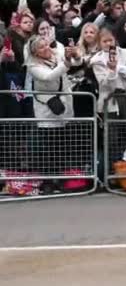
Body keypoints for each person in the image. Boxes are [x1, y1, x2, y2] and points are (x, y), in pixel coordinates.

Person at [27, 35, 83, 186]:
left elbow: (77, 63)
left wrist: (75, 55)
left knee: (63, 147)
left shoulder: (57, 53)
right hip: (47, 108)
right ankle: (47, 182)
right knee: (48, 149)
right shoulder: (33, 65)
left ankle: (62, 180)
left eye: (46, 44)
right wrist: (66, 61)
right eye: (41, 47)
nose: (46, 48)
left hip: (65, 103)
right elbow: (49, 76)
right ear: (35, 53)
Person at [90, 28, 126, 157]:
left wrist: (118, 67)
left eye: (111, 40)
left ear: (115, 40)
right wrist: (112, 72)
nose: (108, 44)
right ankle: (112, 170)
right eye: (104, 41)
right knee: (112, 139)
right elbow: (105, 84)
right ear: (99, 43)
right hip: (109, 102)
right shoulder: (96, 60)